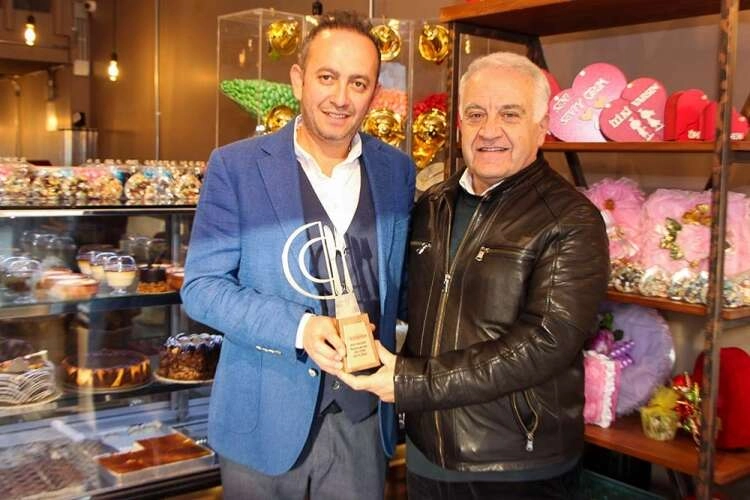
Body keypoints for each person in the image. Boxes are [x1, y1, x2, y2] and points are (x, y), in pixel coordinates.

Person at [338, 51, 609, 499]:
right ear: (460, 124)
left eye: (510, 114)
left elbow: (545, 342)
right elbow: (409, 303)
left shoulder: (570, 219)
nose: (489, 130)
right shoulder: (432, 205)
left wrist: (412, 383)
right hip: (427, 453)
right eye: (476, 114)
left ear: (542, 127)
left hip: (516, 464)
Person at [181, 11, 415, 499]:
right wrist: (301, 328)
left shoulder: (396, 171)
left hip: (362, 422)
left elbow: (402, 283)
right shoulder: (235, 167)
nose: (341, 97)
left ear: (374, 93)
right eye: (327, 77)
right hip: (262, 422)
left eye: (358, 83)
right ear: (298, 79)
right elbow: (201, 288)